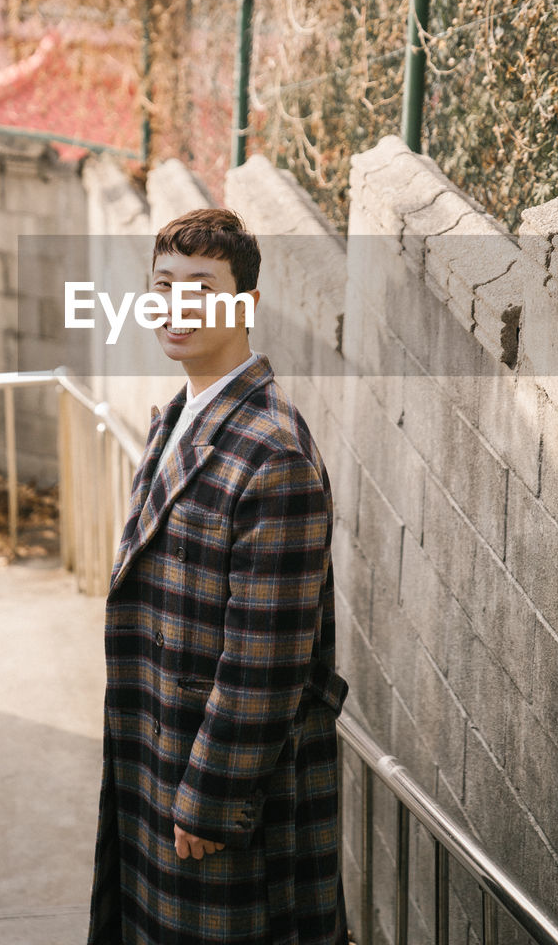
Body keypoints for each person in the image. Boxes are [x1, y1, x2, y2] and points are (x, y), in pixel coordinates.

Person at [87, 208, 349, 945]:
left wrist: (209, 800)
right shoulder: (177, 415)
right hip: (156, 757)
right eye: (164, 284)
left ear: (246, 305)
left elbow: (265, 661)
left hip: (220, 799)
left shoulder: (273, 454)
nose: (177, 303)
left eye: (202, 286)